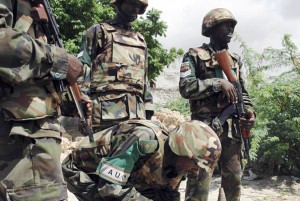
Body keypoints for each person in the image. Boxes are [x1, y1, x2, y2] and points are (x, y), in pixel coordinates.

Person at [0, 0, 84, 200]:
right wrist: (59, 60)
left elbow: (33, 82)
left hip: (29, 138)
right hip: (18, 141)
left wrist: (70, 101)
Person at [179, 8, 256, 201]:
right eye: (226, 24)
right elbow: (185, 87)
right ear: (211, 27)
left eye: (232, 25)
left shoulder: (235, 60)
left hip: (232, 131)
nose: (231, 28)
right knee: (199, 183)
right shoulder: (195, 55)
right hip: (204, 130)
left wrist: (249, 112)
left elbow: (242, 92)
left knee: (233, 184)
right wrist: (217, 83)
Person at [62, 119, 222, 201]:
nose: (196, 171)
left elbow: (166, 193)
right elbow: (109, 187)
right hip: (86, 172)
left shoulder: (178, 162)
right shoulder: (144, 139)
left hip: (130, 178)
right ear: (184, 150)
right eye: (196, 164)